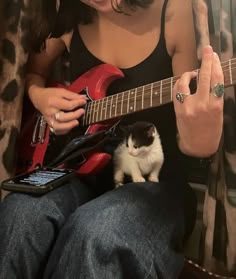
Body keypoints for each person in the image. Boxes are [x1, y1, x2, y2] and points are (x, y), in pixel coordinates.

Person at [0, 0, 224, 278]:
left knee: (97, 232)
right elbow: (34, 71)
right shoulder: (70, 13)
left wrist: (201, 134)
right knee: (19, 213)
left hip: (157, 184)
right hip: (78, 173)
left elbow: (194, 139)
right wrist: (39, 96)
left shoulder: (176, 10)